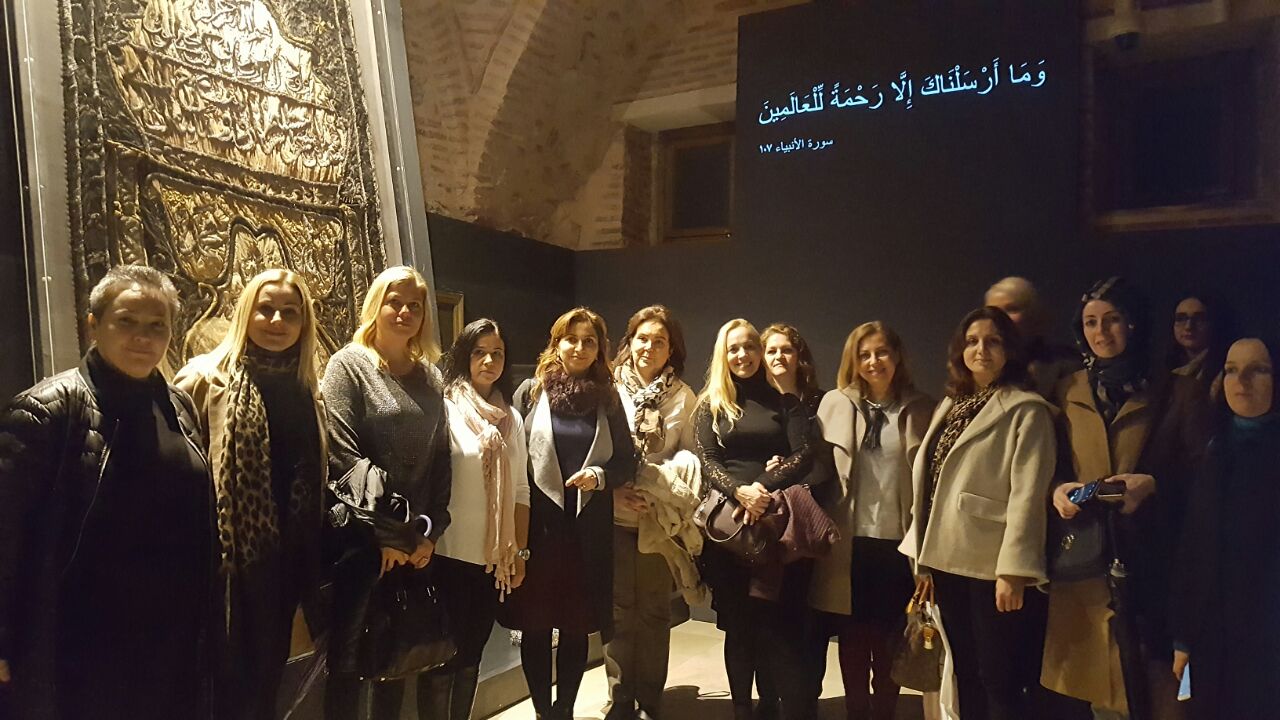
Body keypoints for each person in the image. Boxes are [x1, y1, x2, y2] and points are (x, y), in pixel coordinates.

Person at [0, 264, 215, 720]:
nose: (143, 337)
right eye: (127, 321)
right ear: (93, 325)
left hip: (171, 641)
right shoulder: (47, 410)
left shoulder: (177, 406)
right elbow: (6, 533)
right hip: (83, 647)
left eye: (157, 325)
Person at [1042, 278, 1207, 720]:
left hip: (1155, 558)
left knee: (1162, 685)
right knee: (1102, 685)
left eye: (1112, 319)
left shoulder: (1176, 390)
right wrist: (1057, 489)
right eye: (1091, 322)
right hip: (1089, 558)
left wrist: (1154, 485)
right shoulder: (1068, 389)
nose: (1101, 332)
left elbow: (1203, 477)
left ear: (1133, 323)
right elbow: (1051, 462)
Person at [174, 268, 328, 720]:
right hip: (222, 571)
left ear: (304, 323)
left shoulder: (307, 390)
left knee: (266, 689)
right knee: (218, 694)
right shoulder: (203, 380)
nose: (277, 321)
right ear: (246, 313)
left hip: (285, 570)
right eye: (266, 309)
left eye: (290, 312)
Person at [900, 306, 1056, 720]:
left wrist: (1014, 571)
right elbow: (930, 482)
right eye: (972, 341)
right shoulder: (952, 403)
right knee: (964, 671)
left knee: (999, 678)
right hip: (947, 559)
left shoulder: (1027, 409)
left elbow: (1028, 495)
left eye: (993, 341)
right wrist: (923, 561)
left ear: (1010, 349)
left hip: (992, 566)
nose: (981, 349)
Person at [321, 265, 453, 720]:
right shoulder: (348, 366)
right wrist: (389, 536)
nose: (404, 311)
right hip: (362, 543)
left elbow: (440, 461)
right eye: (395, 301)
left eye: (414, 305)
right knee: (349, 668)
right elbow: (343, 457)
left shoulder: (430, 377)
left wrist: (428, 532)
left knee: (396, 663)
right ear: (376, 304)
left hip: (414, 544)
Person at [506, 307, 637, 720]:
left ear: (599, 349)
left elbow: (627, 461)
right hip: (538, 530)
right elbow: (512, 459)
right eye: (571, 339)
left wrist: (599, 476)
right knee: (535, 624)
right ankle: (543, 711)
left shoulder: (608, 399)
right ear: (556, 343)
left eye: (589, 341)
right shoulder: (530, 392)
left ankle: (564, 710)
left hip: (587, 531)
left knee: (576, 625)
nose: (579, 348)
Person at [693, 319, 817, 720]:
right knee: (738, 625)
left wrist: (760, 488)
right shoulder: (710, 404)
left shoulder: (785, 402)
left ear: (759, 351)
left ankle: (772, 705)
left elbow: (804, 455)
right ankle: (742, 709)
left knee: (774, 622)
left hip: (773, 525)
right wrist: (739, 492)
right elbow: (708, 461)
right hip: (727, 531)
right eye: (734, 348)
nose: (742, 354)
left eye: (750, 346)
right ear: (723, 355)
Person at [810, 322, 934, 720]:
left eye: (881, 352)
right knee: (853, 634)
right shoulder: (835, 403)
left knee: (891, 636)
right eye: (864, 355)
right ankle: (856, 710)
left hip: (900, 540)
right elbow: (816, 467)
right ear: (853, 360)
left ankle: (884, 711)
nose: (873, 361)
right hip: (850, 538)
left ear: (897, 356)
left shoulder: (921, 408)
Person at [424, 318, 530, 720]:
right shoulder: (444, 408)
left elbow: (520, 490)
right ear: (464, 356)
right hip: (447, 555)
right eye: (479, 352)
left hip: (492, 562)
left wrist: (519, 552)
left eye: (497, 353)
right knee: (442, 659)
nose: (489, 361)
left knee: (471, 656)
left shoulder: (510, 419)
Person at [1171, 337, 1280, 719]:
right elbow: (1193, 545)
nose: (1241, 381)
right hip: (1214, 639)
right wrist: (1184, 636)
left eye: (1257, 370)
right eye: (1232, 370)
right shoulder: (1213, 449)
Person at [604, 305, 699, 720]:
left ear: (670, 349)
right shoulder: (608, 386)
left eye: (659, 341)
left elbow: (691, 460)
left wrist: (659, 491)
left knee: (655, 611)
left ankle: (649, 699)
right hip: (614, 517)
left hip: (658, 522)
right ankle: (620, 695)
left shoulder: (683, 397)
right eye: (642, 338)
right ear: (630, 342)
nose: (649, 347)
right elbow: (595, 448)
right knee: (619, 609)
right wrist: (614, 493)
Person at [985, 276, 1079, 399]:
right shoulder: (974, 366)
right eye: (993, 311)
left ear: (1034, 314)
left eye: (1012, 309)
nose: (1001, 318)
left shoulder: (1066, 367)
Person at [1164, 291, 1233, 389]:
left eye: (1199, 319)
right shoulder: (1168, 368)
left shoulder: (1227, 371)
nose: (1188, 326)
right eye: (1181, 318)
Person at [761, 322, 822, 408]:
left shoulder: (821, 402)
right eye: (772, 352)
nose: (779, 356)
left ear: (799, 357)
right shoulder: (756, 403)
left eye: (787, 350)